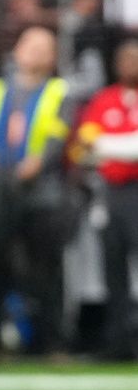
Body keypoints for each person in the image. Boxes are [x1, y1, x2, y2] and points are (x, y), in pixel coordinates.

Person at [0, 26, 75, 359]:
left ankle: (52, 344)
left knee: (46, 271)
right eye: (29, 44)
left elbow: (56, 139)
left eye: (45, 47)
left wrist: (35, 165)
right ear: (16, 50)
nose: (35, 52)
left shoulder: (59, 92)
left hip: (41, 193)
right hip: (0, 191)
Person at [79, 39, 138, 360]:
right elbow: (84, 148)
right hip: (113, 192)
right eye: (124, 58)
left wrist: (105, 145)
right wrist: (116, 146)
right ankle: (118, 343)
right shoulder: (105, 100)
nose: (129, 64)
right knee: (112, 268)